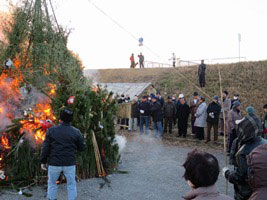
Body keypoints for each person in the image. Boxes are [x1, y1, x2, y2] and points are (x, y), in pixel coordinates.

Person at [222, 106, 267, 200]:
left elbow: (240, 177)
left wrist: (226, 173)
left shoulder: (243, 152)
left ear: (245, 131)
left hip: (246, 193)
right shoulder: (265, 142)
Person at [40, 109, 85, 200]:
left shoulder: (51, 131)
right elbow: (82, 148)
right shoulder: (76, 132)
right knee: (71, 185)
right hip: (69, 163)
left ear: (60, 118)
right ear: (71, 119)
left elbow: (45, 148)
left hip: (54, 163)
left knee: (52, 184)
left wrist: (43, 161)